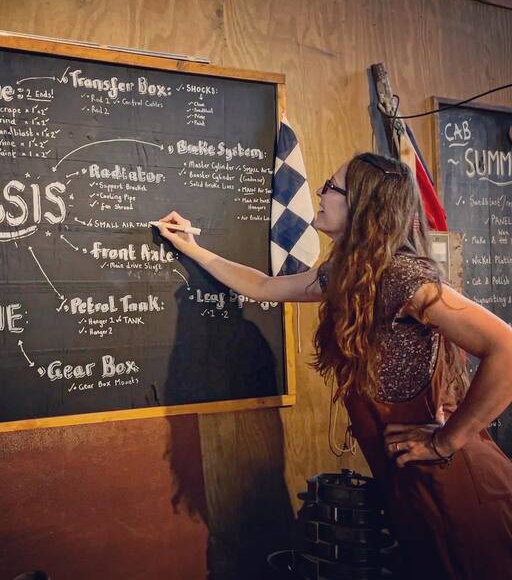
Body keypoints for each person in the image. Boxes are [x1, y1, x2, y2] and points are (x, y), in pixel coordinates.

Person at [157, 152, 512, 578]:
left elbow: (505, 348)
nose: (320, 194)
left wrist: (447, 440)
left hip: (456, 484)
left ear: (363, 205)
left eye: (331, 187)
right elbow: (264, 285)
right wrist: (191, 248)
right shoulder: (348, 274)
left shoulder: (401, 275)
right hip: (409, 478)